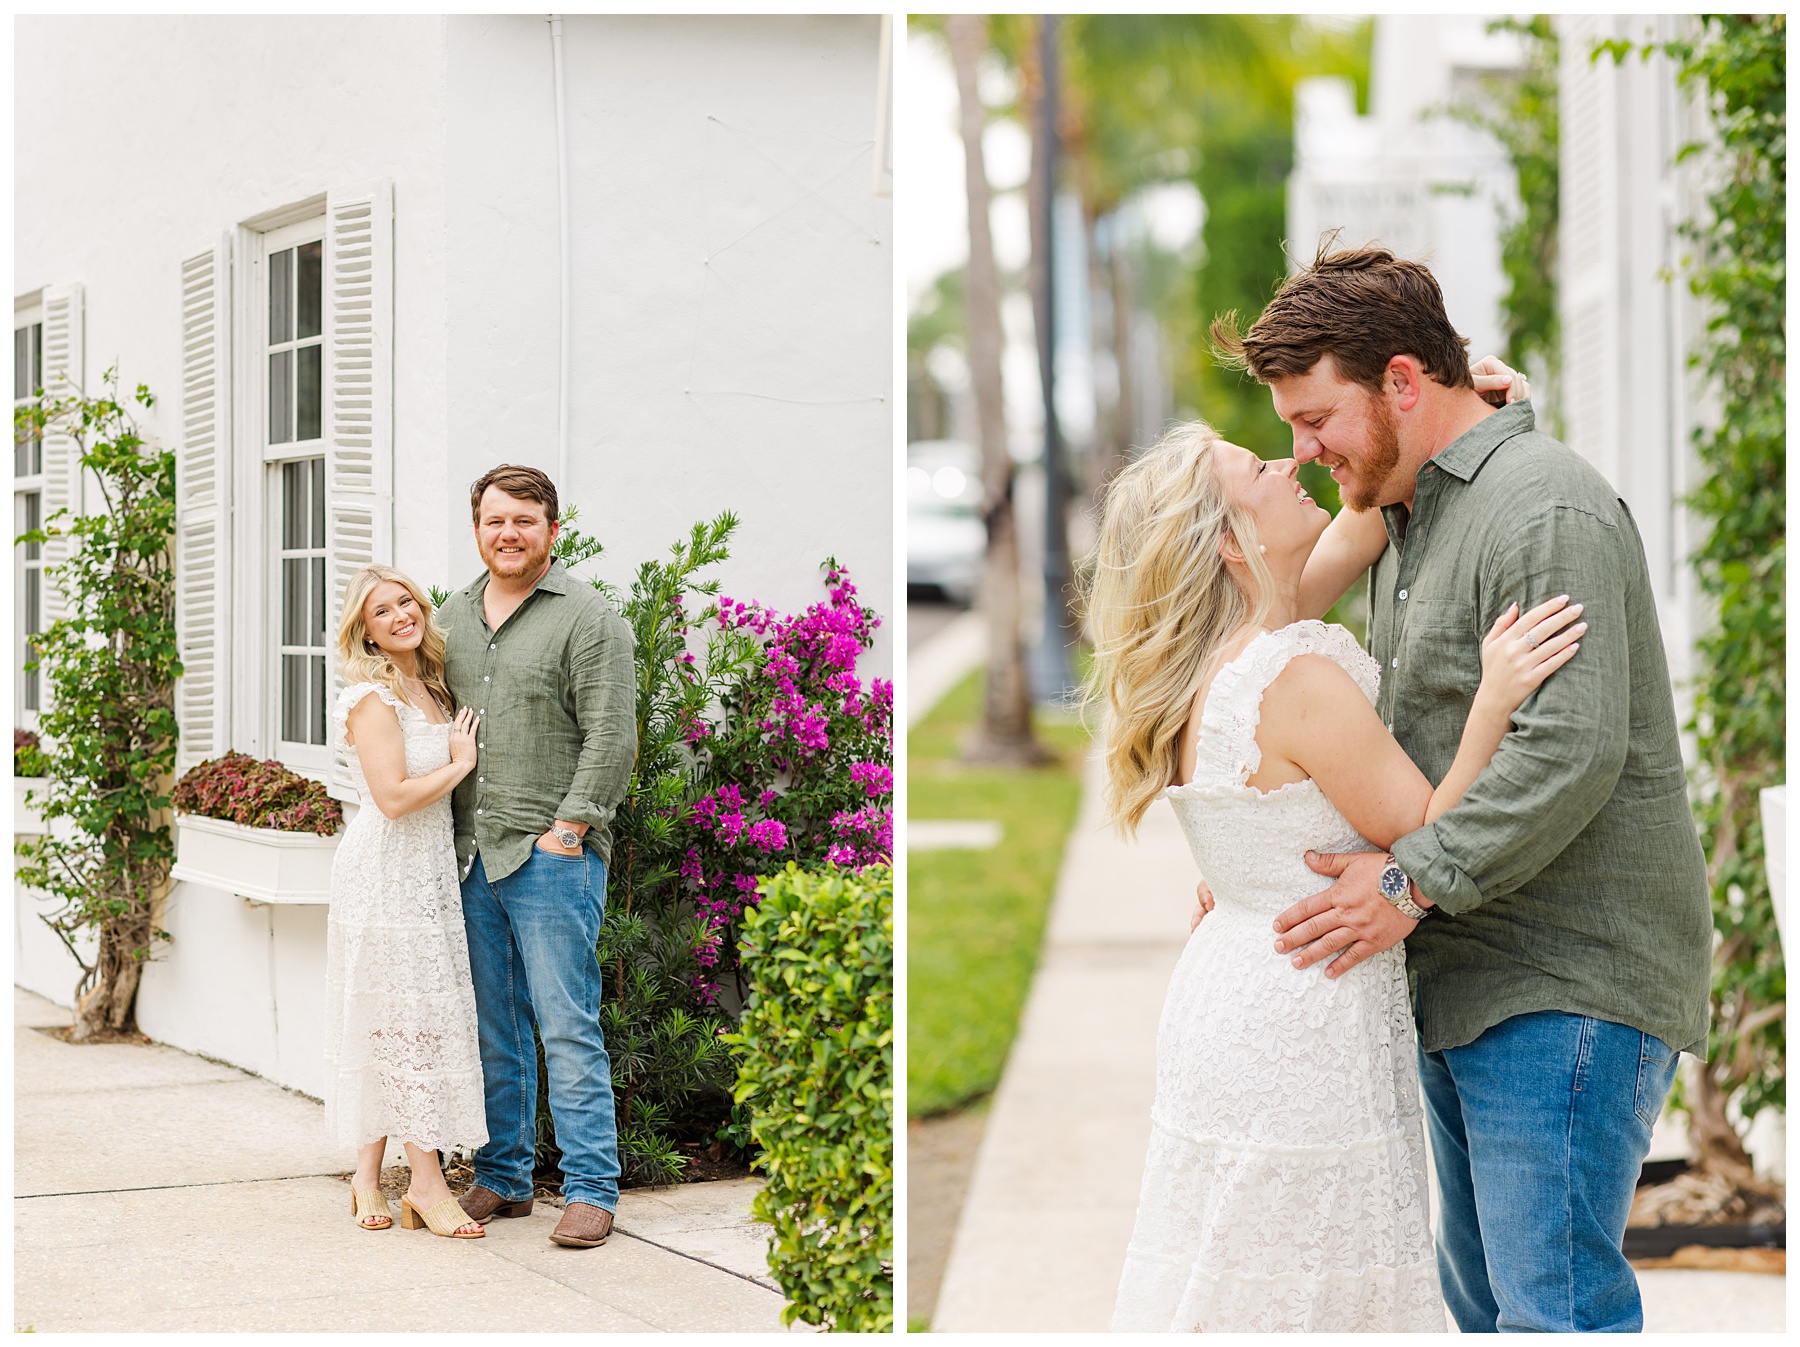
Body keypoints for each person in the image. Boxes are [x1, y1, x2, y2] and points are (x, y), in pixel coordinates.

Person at [1206, 241, 1712, 1333]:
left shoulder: (1544, 514)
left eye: (1314, 420)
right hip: (1462, 977)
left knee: (1550, 1316)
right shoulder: (1409, 504)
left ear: (1400, 381)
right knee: (1486, 1311)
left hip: (1562, 981)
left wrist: (1405, 887)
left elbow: (1565, 754)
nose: (1299, 452)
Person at [1091, 351, 1581, 1329]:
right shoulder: (1295, 673)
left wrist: (1465, 416)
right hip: (1303, 1016)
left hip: (1231, 988)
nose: (1286, 464)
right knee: (1317, 1290)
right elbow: (1434, 827)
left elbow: (1363, 513)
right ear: (1233, 543)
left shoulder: (1212, 660)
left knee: (1234, 1275)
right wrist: (1494, 697)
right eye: (1256, 473)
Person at [437, 464, 637, 1250]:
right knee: (496, 1026)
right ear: (478, 529)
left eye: (525, 520)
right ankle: (506, 1174)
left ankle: (592, 1188)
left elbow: (612, 734)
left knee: (566, 1025)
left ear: (553, 529)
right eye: (495, 520)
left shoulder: (590, 618)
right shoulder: (450, 615)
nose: (509, 533)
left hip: (552, 853)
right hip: (472, 855)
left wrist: (572, 827)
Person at [325, 564, 488, 1239]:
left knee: (401, 1015)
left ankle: (370, 1176)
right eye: (381, 612)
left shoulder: (433, 686)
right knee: (400, 1015)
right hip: (384, 868)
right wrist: (459, 765)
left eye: (405, 602)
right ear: (364, 631)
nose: (399, 616)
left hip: (428, 870)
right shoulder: (370, 696)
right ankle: (423, 1181)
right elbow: (391, 798)